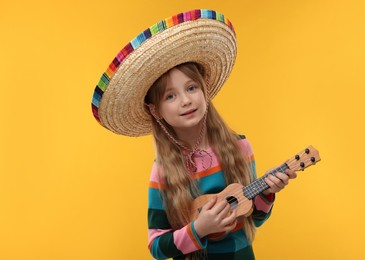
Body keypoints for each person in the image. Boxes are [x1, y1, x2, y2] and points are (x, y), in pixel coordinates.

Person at [91, 9, 297, 260]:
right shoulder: (163, 170)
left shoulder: (239, 147)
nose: (186, 100)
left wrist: (267, 193)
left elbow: (255, 217)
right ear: (156, 111)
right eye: (170, 95)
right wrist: (199, 229)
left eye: (191, 88)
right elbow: (157, 247)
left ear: (205, 91)